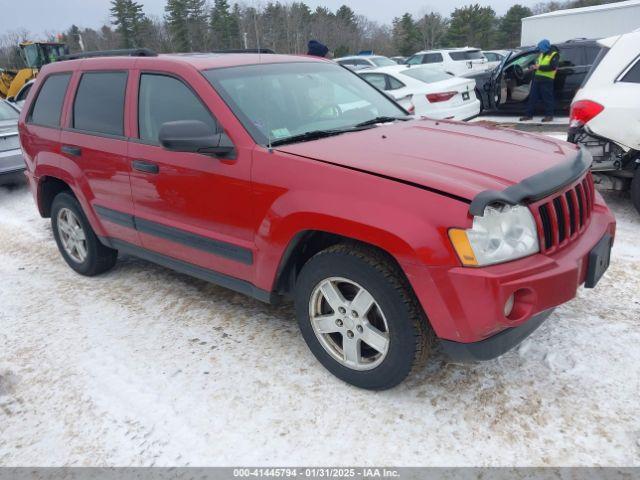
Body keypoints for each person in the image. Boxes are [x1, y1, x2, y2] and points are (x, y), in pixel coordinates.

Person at [520, 39, 560, 122]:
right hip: (537, 78)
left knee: (547, 98)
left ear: (545, 47)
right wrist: (533, 66)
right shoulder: (542, 54)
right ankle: (528, 115)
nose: (540, 49)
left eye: (540, 47)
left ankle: (549, 116)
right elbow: (537, 63)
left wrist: (538, 67)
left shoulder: (554, 54)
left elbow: (553, 67)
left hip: (547, 79)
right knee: (532, 98)